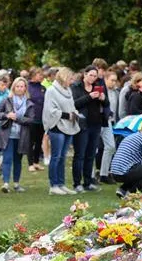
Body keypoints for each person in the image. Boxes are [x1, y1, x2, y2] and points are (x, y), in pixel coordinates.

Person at [70, 65, 108, 192]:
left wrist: (103, 99)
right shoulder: (76, 87)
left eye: (95, 76)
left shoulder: (98, 87)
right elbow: (75, 103)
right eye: (90, 75)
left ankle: (88, 181)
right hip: (82, 124)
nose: (92, 78)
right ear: (85, 74)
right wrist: (90, 97)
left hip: (96, 124)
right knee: (80, 154)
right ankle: (77, 183)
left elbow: (107, 104)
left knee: (91, 154)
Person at [0, 77, 34, 194]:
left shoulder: (29, 103)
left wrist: (18, 118)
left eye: (22, 86)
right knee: (7, 158)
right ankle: (6, 183)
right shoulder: (7, 100)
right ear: (14, 87)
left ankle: (16, 184)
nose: (20, 88)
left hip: (22, 136)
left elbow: (30, 119)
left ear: (25, 88)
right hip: (8, 134)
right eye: (18, 86)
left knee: (18, 160)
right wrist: (7, 115)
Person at [42, 67, 80, 195]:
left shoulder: (68, 90)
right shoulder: (51, 91)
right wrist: (66, 115)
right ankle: (53, 185)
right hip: (57, 126)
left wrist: (75, 114)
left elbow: (71, 106)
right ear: (64, 78)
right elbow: (50, 110)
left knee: (62, 157)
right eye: (70, 78)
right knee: (56, 156)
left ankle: (61, 183)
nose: (72, 81)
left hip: (68, 126)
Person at [99, 70, 120, 184]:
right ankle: (93, 175)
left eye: (115, 80)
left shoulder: (116, 92)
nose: (114, 83)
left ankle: (104, 173)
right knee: (94, 149)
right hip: (100, 120)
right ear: (105, 79)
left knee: (111, 146)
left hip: (110, 122)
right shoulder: (101, 90)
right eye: (112, 80)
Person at [26, 67, 46, 172]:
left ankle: (36, 162)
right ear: (33, 75)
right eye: (39, 74)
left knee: (39, 141)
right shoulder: (27, 87)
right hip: (31, 119)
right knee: (31, 141)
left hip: (41, 119)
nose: (41, 76)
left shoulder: (43, 88)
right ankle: (30, 163)